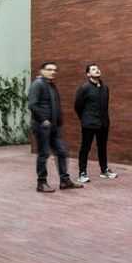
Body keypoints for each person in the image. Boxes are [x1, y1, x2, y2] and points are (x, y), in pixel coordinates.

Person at [27, 62, 83, 193]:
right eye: (49, 69)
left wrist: (58, 122)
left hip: (54, 126)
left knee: (62, 152)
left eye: (54, 70)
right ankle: (41, 183)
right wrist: (43, 120)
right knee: (44, 153)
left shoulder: (51, 85)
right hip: (42, 126)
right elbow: (32, 104)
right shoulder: (38, 84)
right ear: (42, 71)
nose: (53, 72)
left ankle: (64, 181)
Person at [74, 63, 117, 183]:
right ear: (88, 74)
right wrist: (84, 118)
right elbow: (77, 106)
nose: (97, 70)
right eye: (93, 69)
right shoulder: (84, 88)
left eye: (98, 68)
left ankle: (104, 170)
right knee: (85, 148)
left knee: (102, 147)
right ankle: (82, 173)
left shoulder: (105, 88)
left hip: (103, 124)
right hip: (89, 124)